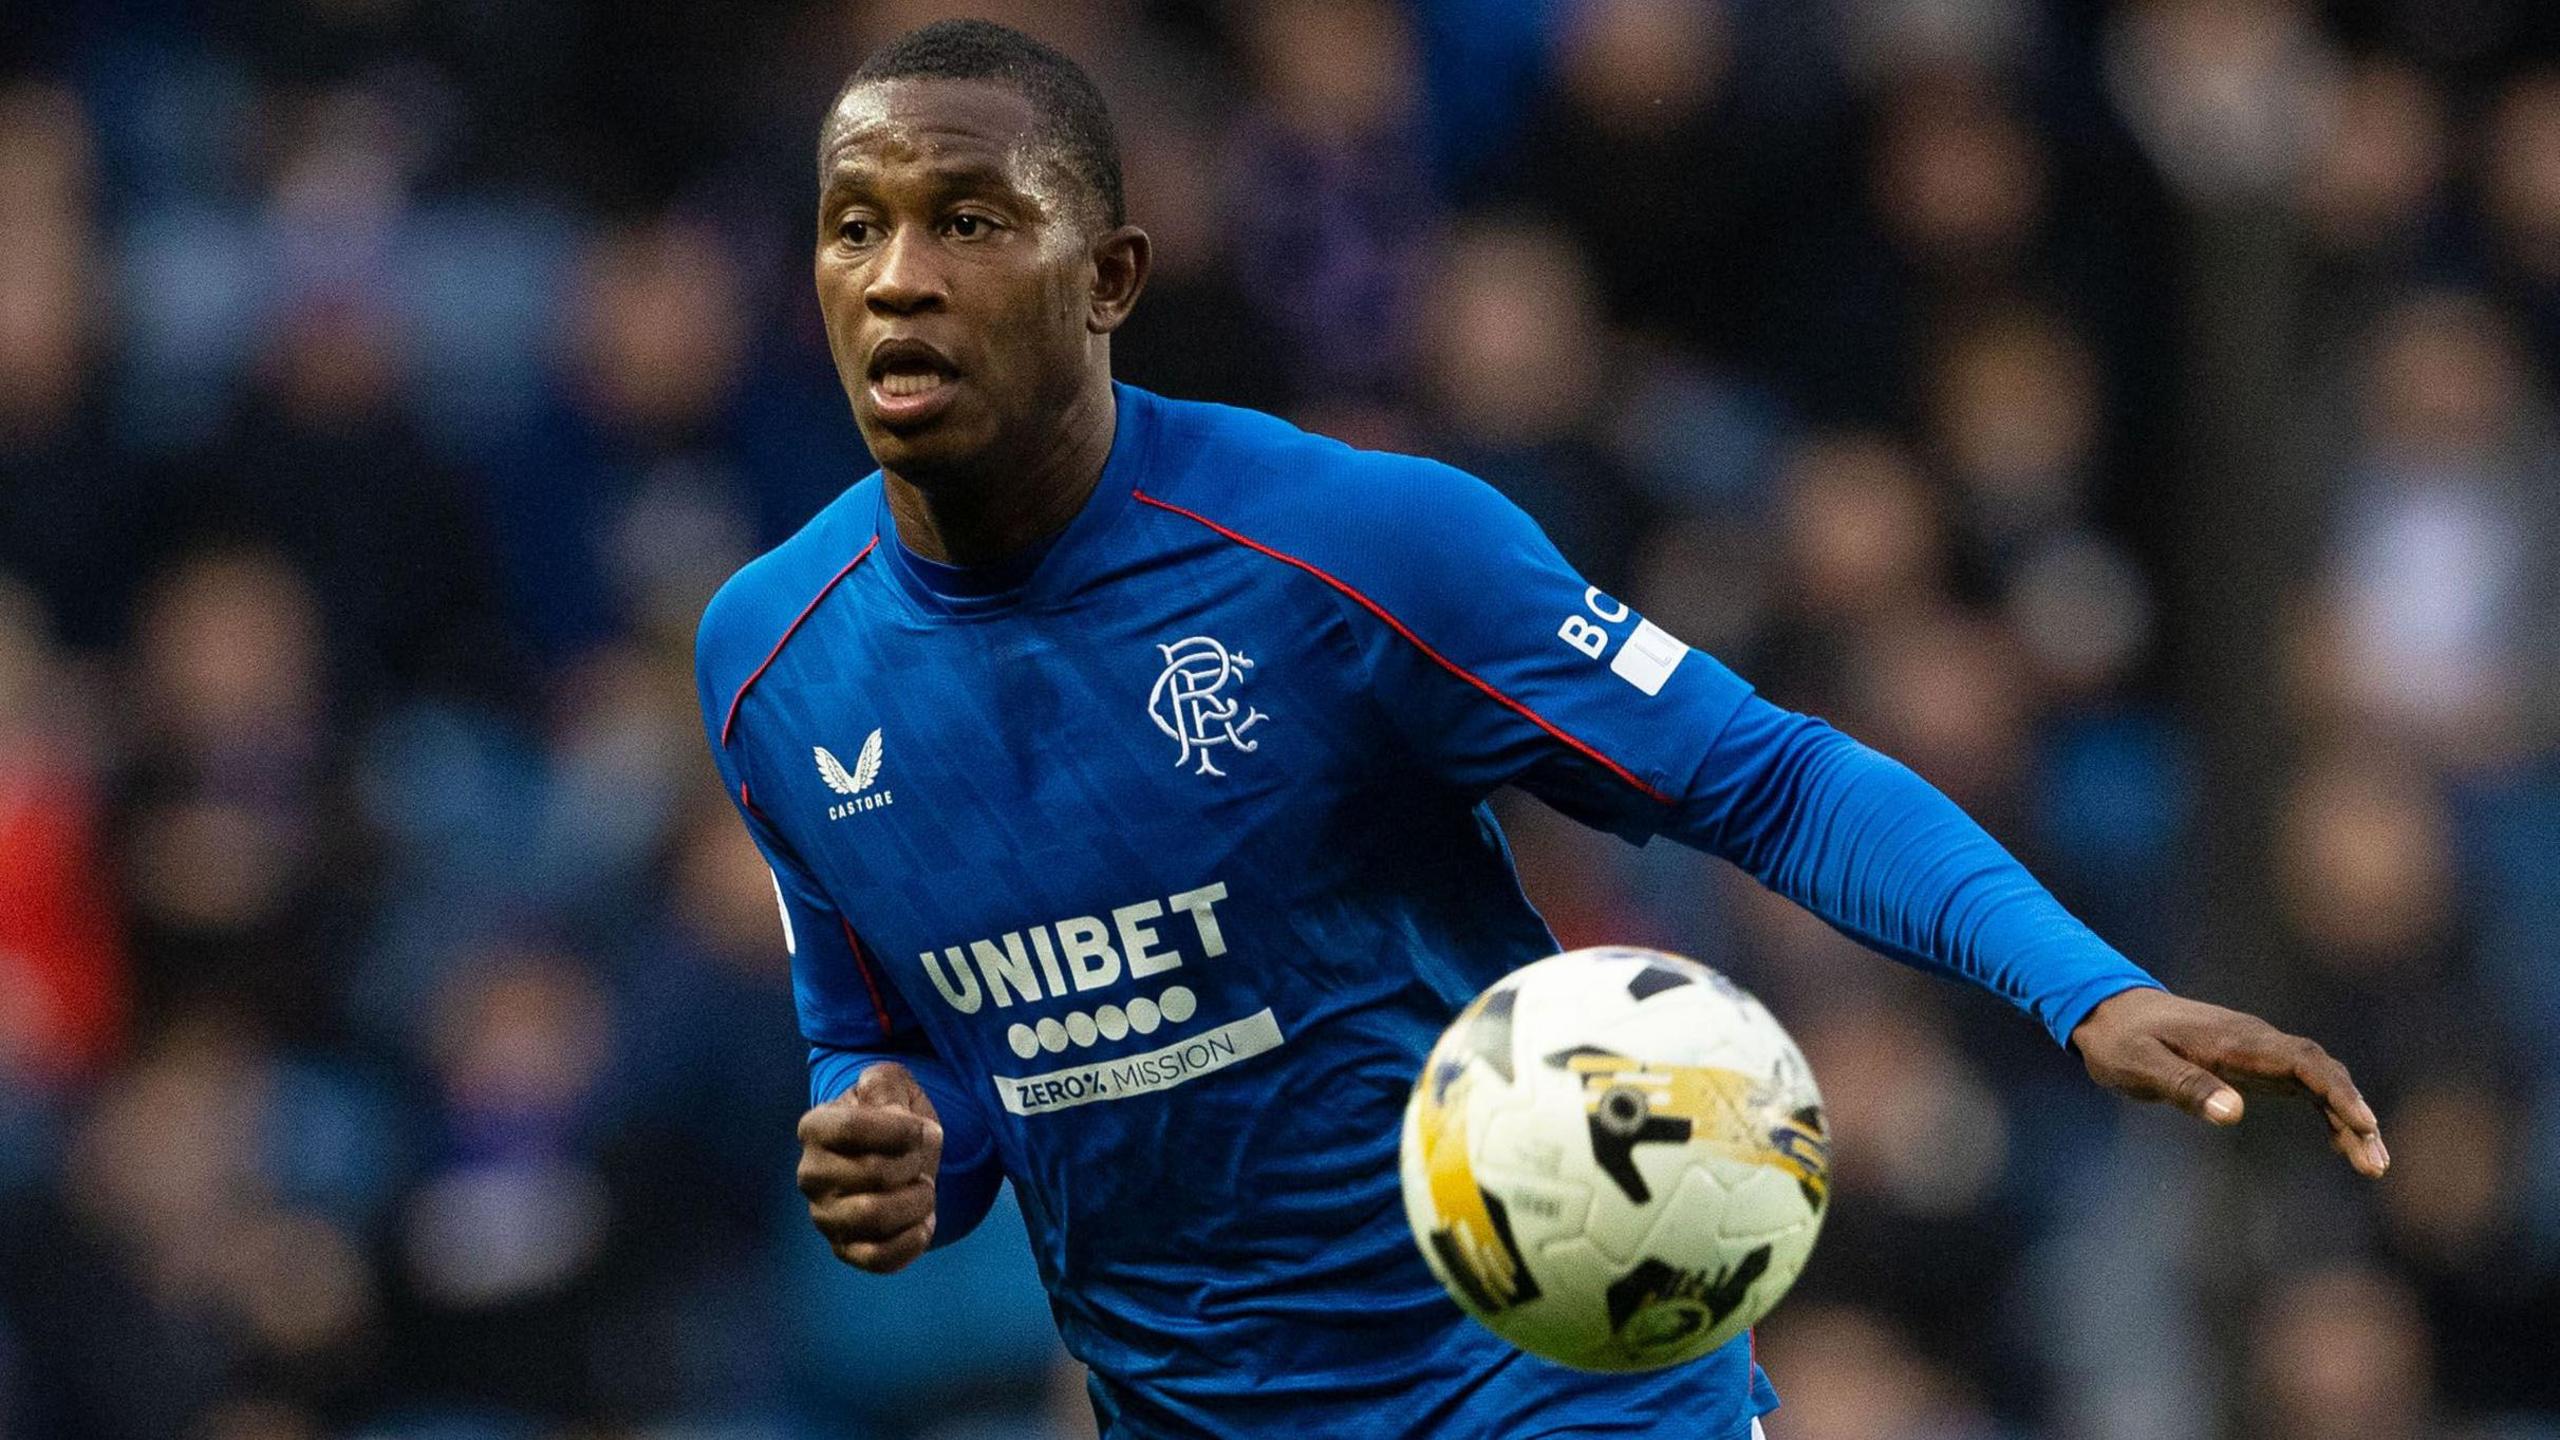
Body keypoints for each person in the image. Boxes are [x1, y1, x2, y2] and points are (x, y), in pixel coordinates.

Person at [694, 20, 2386, 1439]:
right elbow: (889, 1035)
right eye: (856, 227)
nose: (901, 279)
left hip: (1548, 1374)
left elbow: (1764, 777)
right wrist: (905, 1137)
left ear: (1112, 276)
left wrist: (2083, 985)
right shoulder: (772, 662)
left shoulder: (1356, 549)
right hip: (1188, 1409)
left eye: (974, 222)